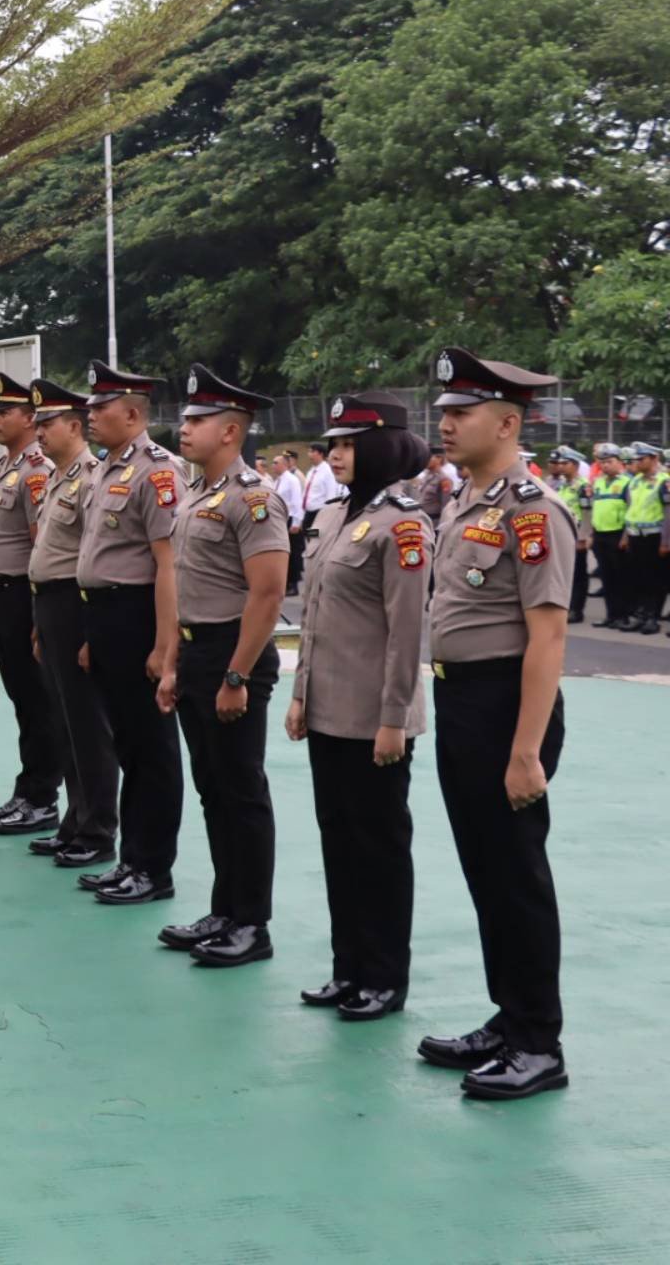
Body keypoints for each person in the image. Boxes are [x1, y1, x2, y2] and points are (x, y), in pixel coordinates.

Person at [420, 347, 573, 1100]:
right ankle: (508, 1019)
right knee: (486, 868)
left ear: (508, 422)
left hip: (506, 706)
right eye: (444, 412)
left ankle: (540, 1042)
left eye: (462, 413)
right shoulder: (464, 501)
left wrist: (525, 751)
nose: (445, 424)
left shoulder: (533, 511)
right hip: (459, 700)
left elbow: (547, 637)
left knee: (516, 873)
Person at [285, 390, 432, 1021]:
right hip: (327, 712)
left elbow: (406, 635)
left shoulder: (404, 525)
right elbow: (314, 621)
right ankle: (349, 969)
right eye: (333, 444)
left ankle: (383, 977)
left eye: (347, 444)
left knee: (378, 848)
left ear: (378, 448)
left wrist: (393, 720)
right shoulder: (331, 516)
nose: (335, 454)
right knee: (338, 843)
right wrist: (299, 698)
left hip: (375, 719)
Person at [155, 365, 289, 965]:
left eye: (197, 420)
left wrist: (237, 674)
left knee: (241, 790)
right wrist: (175, 662)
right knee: (212, 789)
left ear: (231, 431)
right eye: (185, 419)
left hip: (237, 653)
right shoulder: (196, 494)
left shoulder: (255, 499)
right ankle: (224, 907)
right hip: (198, 651)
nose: (184, 428)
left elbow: (266, 595)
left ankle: (251, 924)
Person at [74, 361, 184, 906]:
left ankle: (152, 868)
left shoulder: (159, 472)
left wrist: (166, 649)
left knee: (152, 750)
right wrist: (95, 633)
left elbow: (169, 564)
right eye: (91, 407)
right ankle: (131, 860)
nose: (91, 415)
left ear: (133, 414)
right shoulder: (104, 469)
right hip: (107, 618)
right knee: (126, 743)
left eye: (101, 407)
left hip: (140, 616)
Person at [23, 379, 119, 867]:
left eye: (47, 423)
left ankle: (98, 829)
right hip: (50, 606)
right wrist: (41, 624)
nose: (38, 431)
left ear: (75, 426)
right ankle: (75, 819)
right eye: (36, 423)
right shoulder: (59, 477)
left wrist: (85, 630)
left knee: (87, 724)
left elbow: (90, 556)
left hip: (76, 605)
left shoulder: (90, 478)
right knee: (63, 721)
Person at [0, 374, 63, 832]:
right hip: (1, 597)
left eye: (5, 412)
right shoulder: (8, 468)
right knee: (22, 700)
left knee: (37, 701)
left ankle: (43, 796)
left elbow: (37, 544)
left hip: (22, 597)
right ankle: (27, 789)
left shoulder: (35, 471)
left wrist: (34, 613)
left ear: (30, 419)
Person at [618, 443, 665, 633]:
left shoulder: (664, 481)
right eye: (636, 459)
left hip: (654, 537)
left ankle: (653, 617)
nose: (637, 462)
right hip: (635, 536)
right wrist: (625, 536)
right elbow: (629, 509)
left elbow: (669, 513)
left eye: (641, 459)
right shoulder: (635, 481)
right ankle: (640, 615)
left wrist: (666, 541)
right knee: (637, 578)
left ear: (654, 459)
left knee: (654, 579)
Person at [545, 447, 590, 623]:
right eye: (560, 463)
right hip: (561, 533)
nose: (561, 466)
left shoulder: (583, 486)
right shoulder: (562, 485)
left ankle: (577, 609)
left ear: (576, 465)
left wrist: (582, 537)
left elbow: (587, 514)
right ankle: (565, 606)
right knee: (563, 573)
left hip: (576, 534)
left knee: (578, 574)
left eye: (566, 463)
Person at [588, 445, 629, 627]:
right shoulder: (598, 482)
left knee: (621, 578)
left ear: (620, 463)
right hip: (600, 535)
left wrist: (626, 536)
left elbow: (631, 511)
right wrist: (591, 534)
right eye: (602, 462)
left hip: (618, 535)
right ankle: (611, 615)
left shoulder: (627, 482)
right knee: (607, 578)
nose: (605, 465)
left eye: (609, 462)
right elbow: (593, 509)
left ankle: (623, 616)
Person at [274, 449, 308, 595]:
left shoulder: (292, 480)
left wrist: (296, 523)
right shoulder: (279, 480)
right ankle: (286, 583)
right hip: (281, 520)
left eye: (276, 463)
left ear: (284, 464)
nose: (273, 466)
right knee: (284, 553)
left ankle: (293, 585)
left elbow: (297, 502)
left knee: (293, 552)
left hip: (290, 520)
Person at [407, 446, 454, 521]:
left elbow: (445, 505)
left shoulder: (444, 480)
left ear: (439, 459)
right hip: (421, 517)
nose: (425, 461)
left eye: (428, 458)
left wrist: (441, 526)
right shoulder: (426, 476)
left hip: (434, 520)